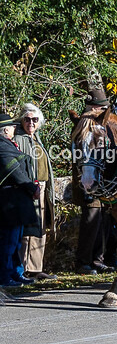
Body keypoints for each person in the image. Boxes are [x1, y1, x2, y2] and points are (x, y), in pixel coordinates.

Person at [74, 89, 115, 275]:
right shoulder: (83, 125)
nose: (104, 111)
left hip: (103, 181)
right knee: (90, 221)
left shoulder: (100, 125)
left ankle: (98, 259)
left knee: (102, 221)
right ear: (92, 107)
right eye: (101, 108)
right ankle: (83, 261)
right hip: (87, 179)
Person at [14, 103, 56, 281]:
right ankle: (23, 269)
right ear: (21, 120)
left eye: (34, 119)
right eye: (27, 119)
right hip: (29, 189)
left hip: (42, 188)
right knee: (27, 229)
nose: (31, 123)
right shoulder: (19, 139)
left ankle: (36, 268)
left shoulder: (36, 138)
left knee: (40, 228)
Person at [1, 113, 39, 286]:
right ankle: (5, 275)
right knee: (8, 241)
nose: (14, 129)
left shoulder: (8, 144)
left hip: (18, 201)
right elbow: (15, 171)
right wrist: (32, 187)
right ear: (5, 130)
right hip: (9, 201)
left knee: (16, 241)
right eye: (12, 127)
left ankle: (17, 272)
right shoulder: (2, 146)